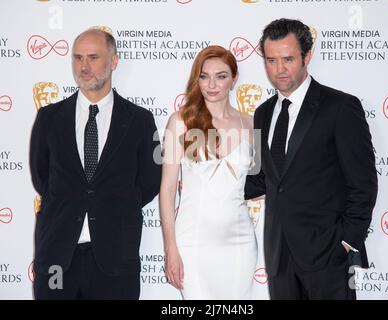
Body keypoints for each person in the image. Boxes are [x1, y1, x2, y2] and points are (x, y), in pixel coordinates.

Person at [245, 18, 378, 300]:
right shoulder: (263, 113)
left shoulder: (340, 107)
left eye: (288, 59)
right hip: (279, 255)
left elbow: (363, 183)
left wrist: (345, 241)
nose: (278, 69)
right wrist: (207, 179)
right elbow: (261, 179)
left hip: (328, 256)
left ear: (307, 56)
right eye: (271, 60)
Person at [29, 28, 161, 299]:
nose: (83, 66)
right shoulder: (49, 118)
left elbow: (150, 181)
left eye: (92, 57)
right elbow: (41, 177)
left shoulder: (140, 120)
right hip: (57, 259)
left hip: (116, 259)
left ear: (113, 61)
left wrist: (116, 204)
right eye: (77, 58)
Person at [160, 45, 257, 299]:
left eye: (221, 76)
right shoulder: (180, 122)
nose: (212, 84)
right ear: (197, 79)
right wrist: (170, 248)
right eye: (204, 76)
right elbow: (168, 190)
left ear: (234, 78)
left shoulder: (250, 123)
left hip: (240, 242)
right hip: (192, 242)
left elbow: (262, 183)